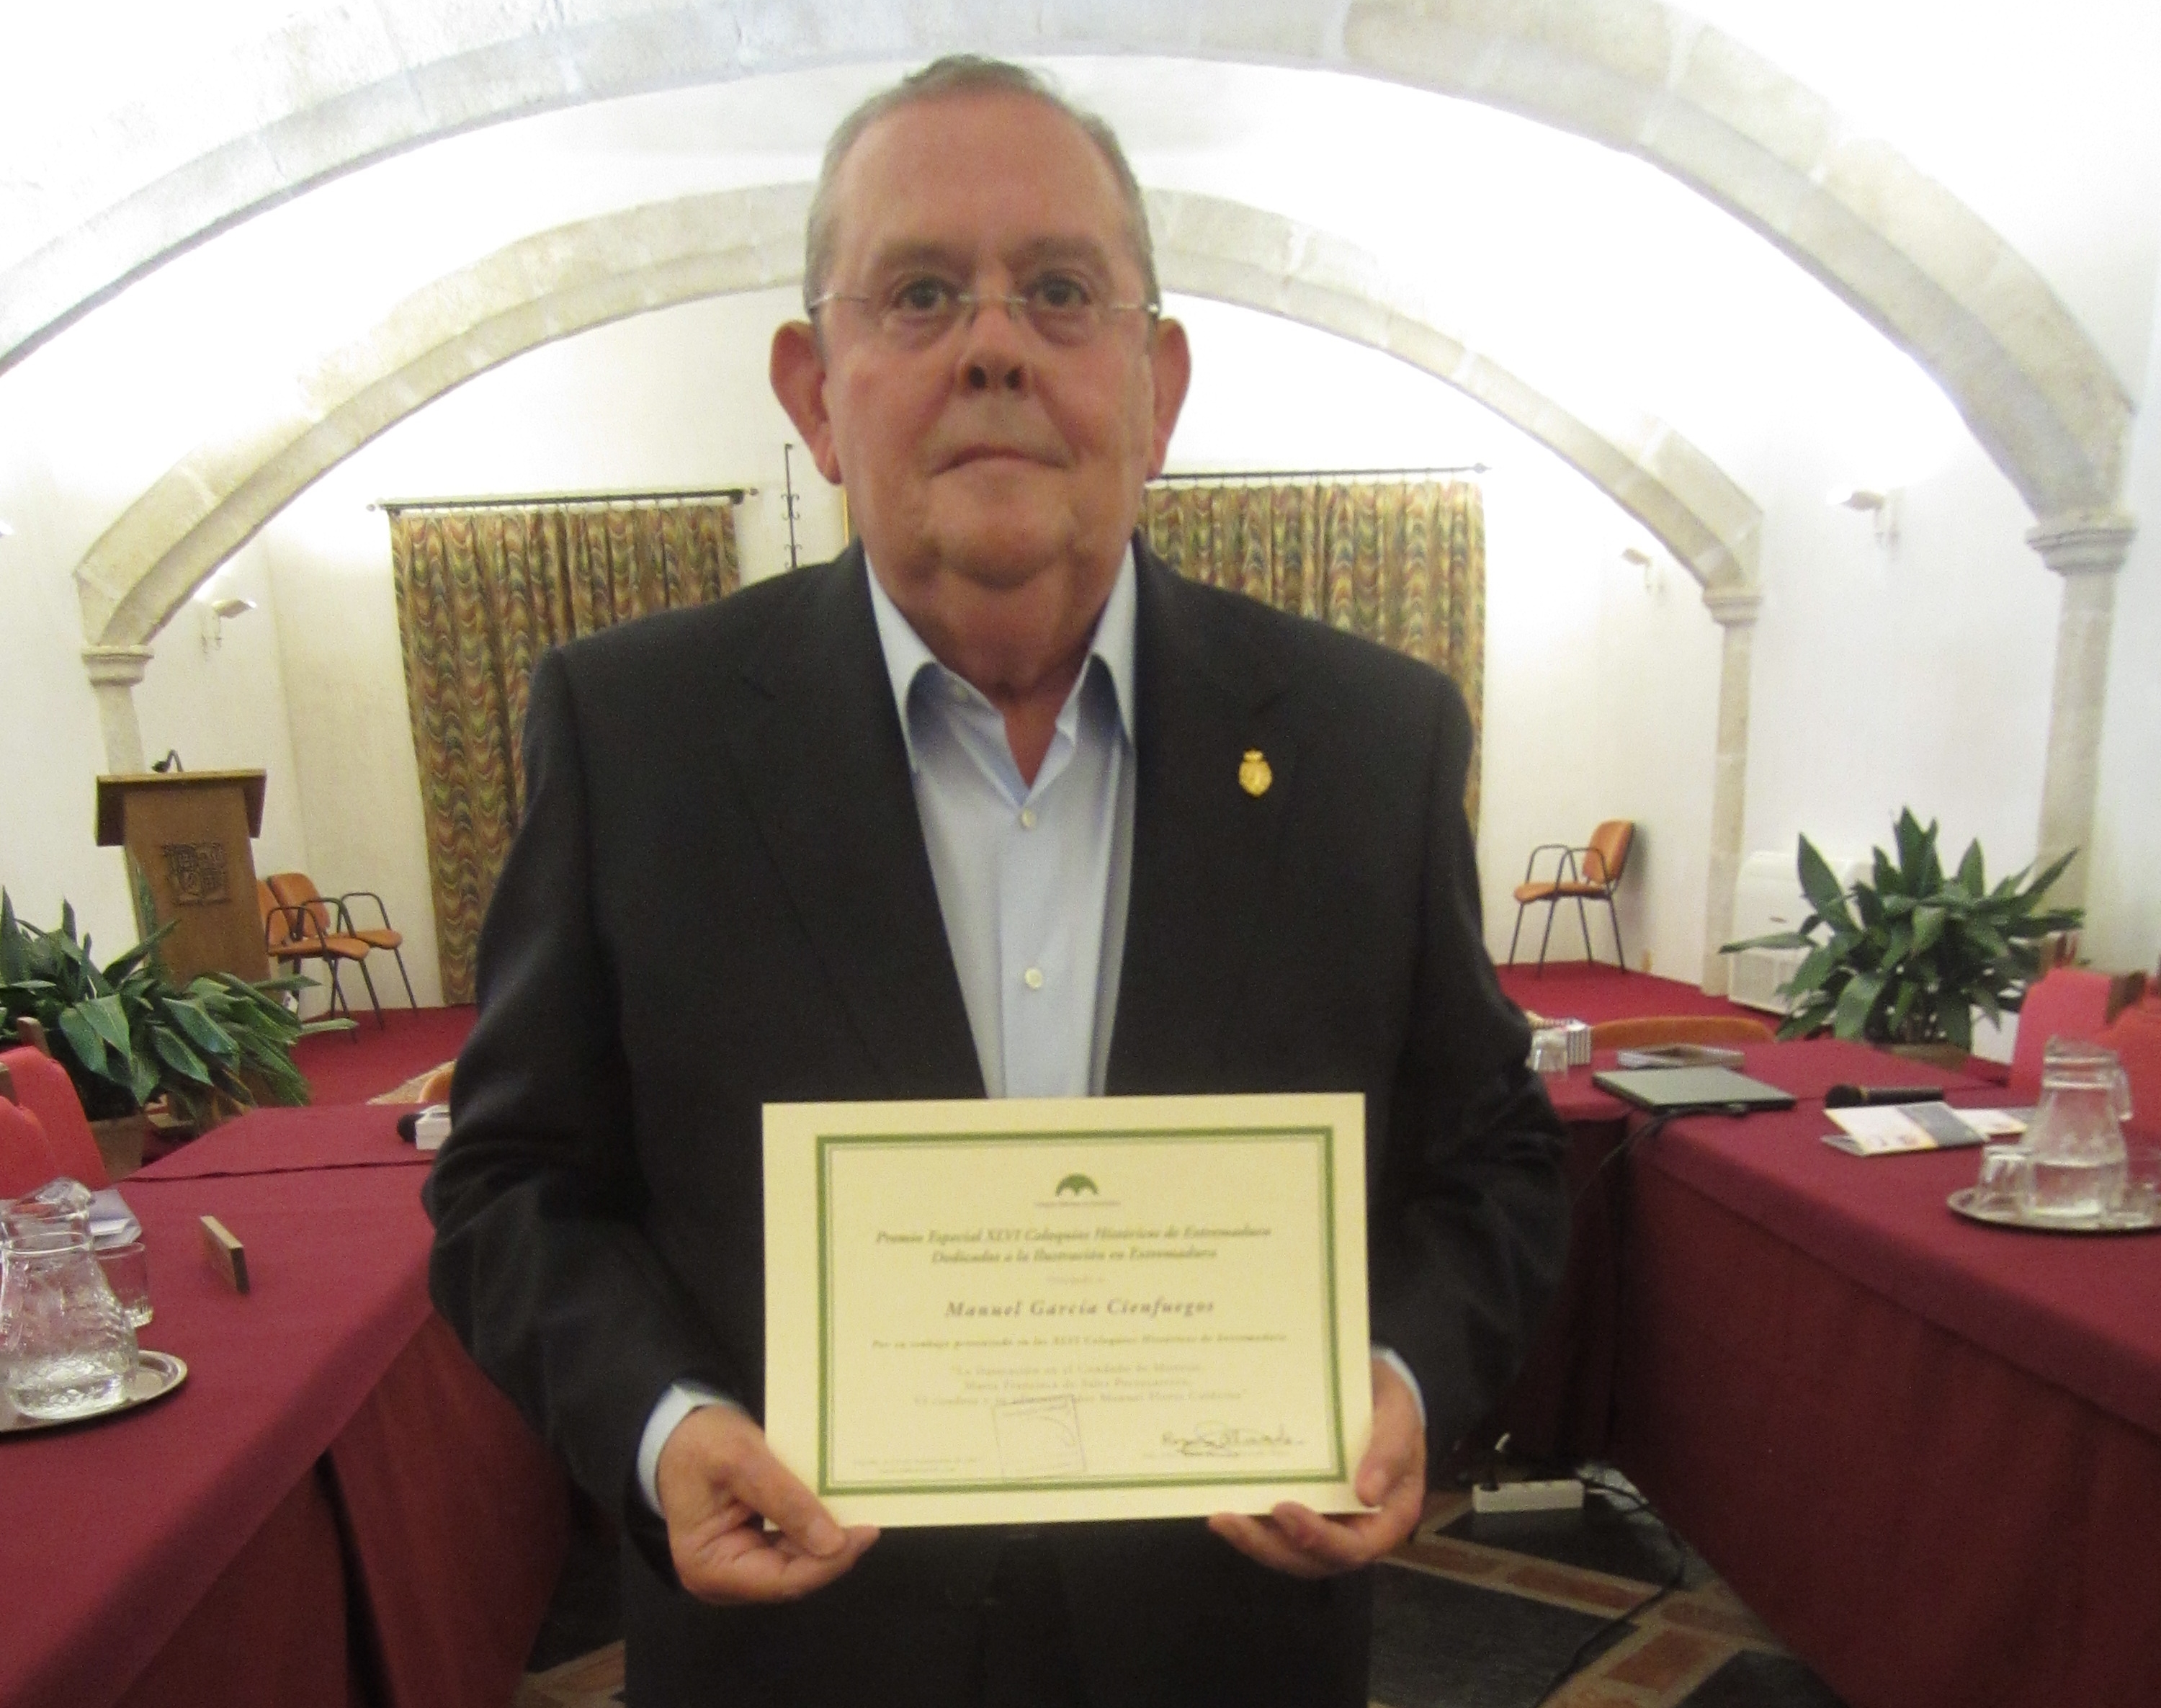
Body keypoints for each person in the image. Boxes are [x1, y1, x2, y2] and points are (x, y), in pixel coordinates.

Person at [426, 55, 1568, 1708]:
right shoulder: (634, 732)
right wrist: (666, 1426)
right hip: (799, 1654)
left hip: (1227, 1649)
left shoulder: (1370, 739)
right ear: (815, 392)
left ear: (1158, 383)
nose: (993, 345)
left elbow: (1498, 1161)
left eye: (1058, 290)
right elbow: (509, 1183)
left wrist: (1391, 1377)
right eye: (918, 294)